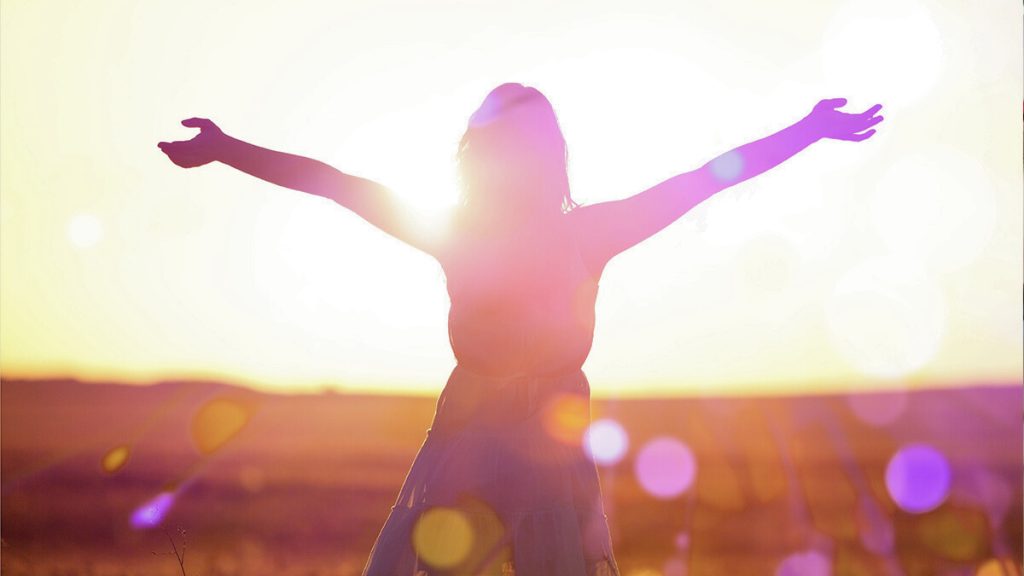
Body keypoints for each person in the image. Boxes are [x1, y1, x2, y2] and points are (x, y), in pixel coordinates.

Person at [158, 83, 883, 575]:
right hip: (465, 433)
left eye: (531, 147)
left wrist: (810, 129)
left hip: (552, 440)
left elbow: (707, 177)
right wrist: (226, 148)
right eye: (505, 146)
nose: (519, 160)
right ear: (484, 158)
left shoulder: (589, 234)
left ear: (548, 158)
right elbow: (334, 183)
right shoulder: (456, 232)